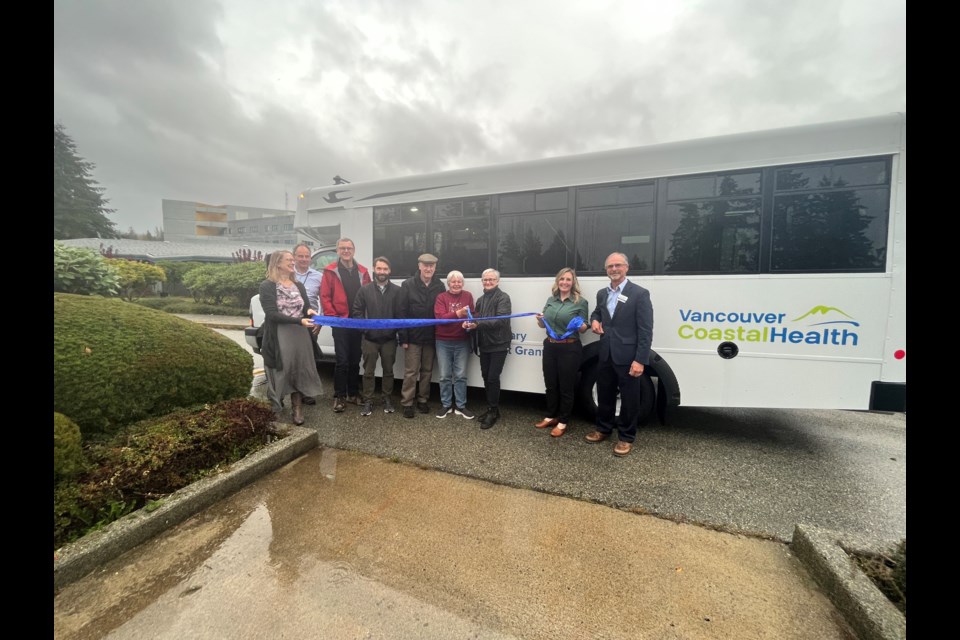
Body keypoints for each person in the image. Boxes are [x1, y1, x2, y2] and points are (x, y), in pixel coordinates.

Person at [584, 253, 654, 456]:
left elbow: (646, 330)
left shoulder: (640, 294)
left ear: (626, 268)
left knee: (630, 398)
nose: (614, 269)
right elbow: (598, 312)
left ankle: (626, 437)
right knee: (605, 394)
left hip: (628, 355)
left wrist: (640, 360)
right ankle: (603, 429)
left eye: (618, 265)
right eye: (610, 266)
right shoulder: (602, 293)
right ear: (606, 270)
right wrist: (595, 320)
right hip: (605, 352)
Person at [258, 251, 324, 425]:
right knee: (282, 371)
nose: (292, 262)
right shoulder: (267, 286)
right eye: (289, 260)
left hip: (300, 334)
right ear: (277, 263)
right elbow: (271, 314)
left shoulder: (298, 285)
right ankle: (276, 401)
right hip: (280, 335)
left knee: (299, 371)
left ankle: (297, 409)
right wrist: (298, 320)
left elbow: (306, 307)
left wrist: (310, 312)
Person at [534, 267, 589, 438]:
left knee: (566, 386)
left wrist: (580, 325)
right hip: (550, 346)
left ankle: (563, 421)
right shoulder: (551, 300)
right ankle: (551, 415)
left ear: (573, 283)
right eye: (562, 279)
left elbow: (584, 328)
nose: (565, 282)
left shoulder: (580, 302)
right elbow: (543, 326)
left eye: (568, 279)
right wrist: (540, 320)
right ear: (558, 281)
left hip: (569, 347)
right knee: (550, 383)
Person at [320, 237, 371, 413]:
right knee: (342, 361)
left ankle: (353, 393)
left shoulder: (363, 272)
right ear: (338, 251)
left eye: (349, 248)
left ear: (354, 250)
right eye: (342, 248)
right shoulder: (330, 271)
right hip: (340, 322)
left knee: (355, 359)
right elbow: (325, 296)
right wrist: (334, 317)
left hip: (357, 322)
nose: (346, 251)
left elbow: (369, 296)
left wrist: (365, 317)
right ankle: (339, 396)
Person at [397, 253, 446, 419]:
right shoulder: (407, 285)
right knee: (411, 371)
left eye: (431, 266)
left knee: (427, 371)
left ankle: (423, 400)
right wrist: (403, 338)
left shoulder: (439, 286)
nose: (428, 268)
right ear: (419, 266)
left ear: (435, 268)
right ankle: (407, 403)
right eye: (425, 265)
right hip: (412, 337)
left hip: (431, 336)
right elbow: (401, 313)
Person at [351, 256, 401, 416]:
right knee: (368, 372)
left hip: (389, 340)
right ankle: (368, 401)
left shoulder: (397, 291)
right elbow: (356, 312)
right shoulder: (364, 290)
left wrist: (397, 333)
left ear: (390, 271)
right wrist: (366, 330)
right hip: (369, 340)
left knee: (388, 371)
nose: (382, 272)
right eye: (379, 268)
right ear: (374, 269)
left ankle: (387, 399)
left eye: (385, 269)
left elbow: (401, 315)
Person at [464, 268, 511, 429]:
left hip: (499, 344)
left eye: (491, 279)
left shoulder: (503, 298)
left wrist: (477, 323)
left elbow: (500, 321)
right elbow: (477, 318)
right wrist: (469, 323)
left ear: (497, 281)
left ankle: (493, 411)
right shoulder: (480, 299)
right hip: (485, 345)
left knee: (492, 377)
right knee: (486, 376)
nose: (488, 282)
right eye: (485, 279)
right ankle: (492, 409)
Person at [433, 270, 475, 419]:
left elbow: (472, 315)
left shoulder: (468, 296)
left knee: (461, 376)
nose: (456, 284)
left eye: (459, 282)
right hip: (443, 341)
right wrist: (458, 314)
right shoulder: (441, 297)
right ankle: (446, 404)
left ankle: (460, 406)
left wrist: (469, 323)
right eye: (453, 281)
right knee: (444, 375)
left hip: (462, 340)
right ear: (448, 283)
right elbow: (440, 318)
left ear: (462, 283)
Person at [292, 242, 323, 405]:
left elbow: (324, 300)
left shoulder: (318, 276)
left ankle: (306, 392)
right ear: (294, 257)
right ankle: (290, 392)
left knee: (308, 359)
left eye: (307, 256)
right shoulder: (288, 275)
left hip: (311, 322)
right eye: (300, 256)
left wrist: (321, 320)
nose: (304, 259)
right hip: (291, 323)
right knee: (291, 359)